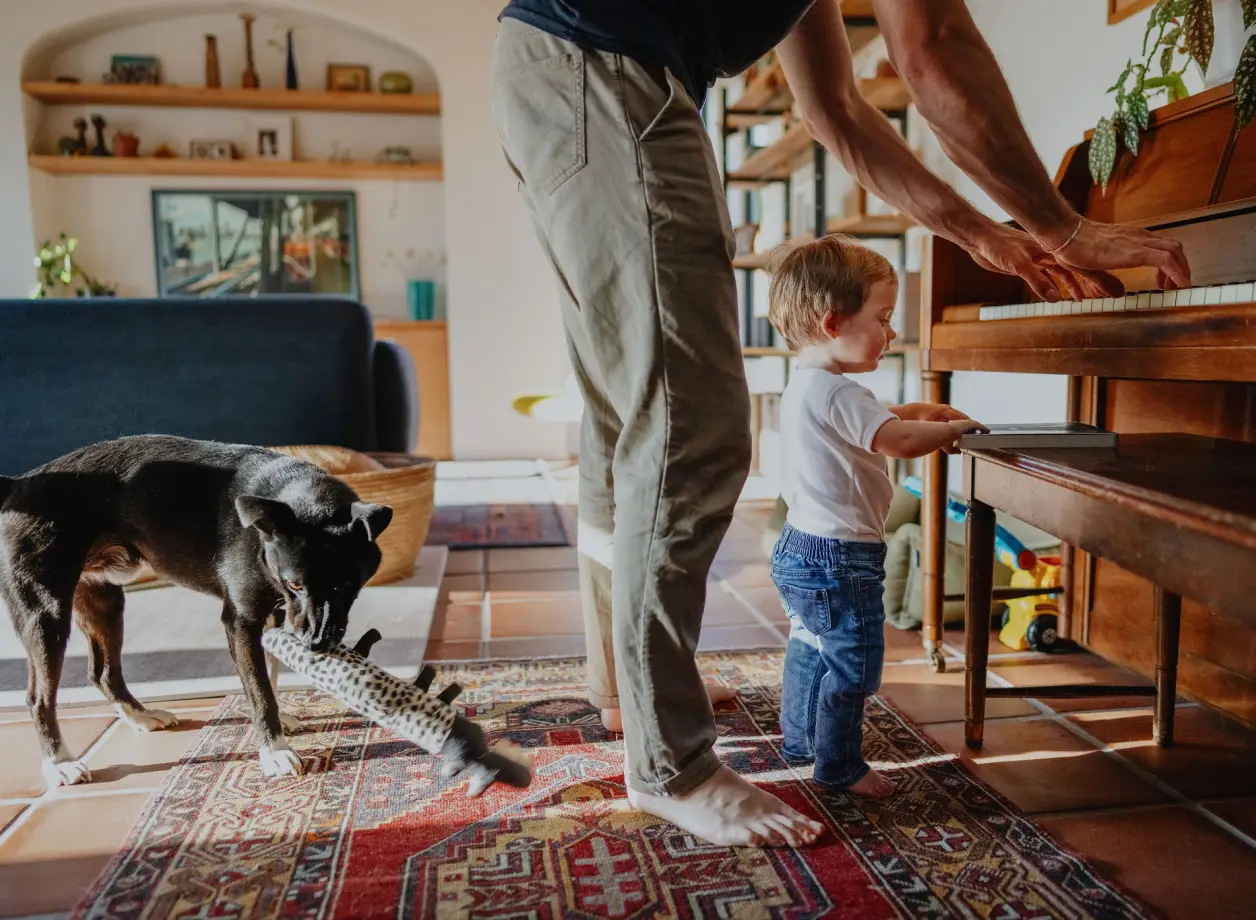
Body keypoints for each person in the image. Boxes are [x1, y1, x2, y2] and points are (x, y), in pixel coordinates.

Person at [489, 0, 1190, 850]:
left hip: (562, 73)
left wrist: (980, 234)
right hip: (601, 70)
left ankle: (627, 693)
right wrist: (1062, 226)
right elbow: (930, 48)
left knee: (629, 421)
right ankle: (670, 762)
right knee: (692, 433)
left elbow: (838, 110)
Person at [766, 235, 982, 798]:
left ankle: (800, 739)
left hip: (799, 546)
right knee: (854, 663)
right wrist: (950, 432)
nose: (892, 333)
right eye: (883, 319)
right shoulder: (842, 393)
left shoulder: (806, 385)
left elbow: (881, 419)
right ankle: (838, 765)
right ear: (834, 322)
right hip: (843, 557)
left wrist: (917, 412)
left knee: (809, 644)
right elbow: (898, 441)